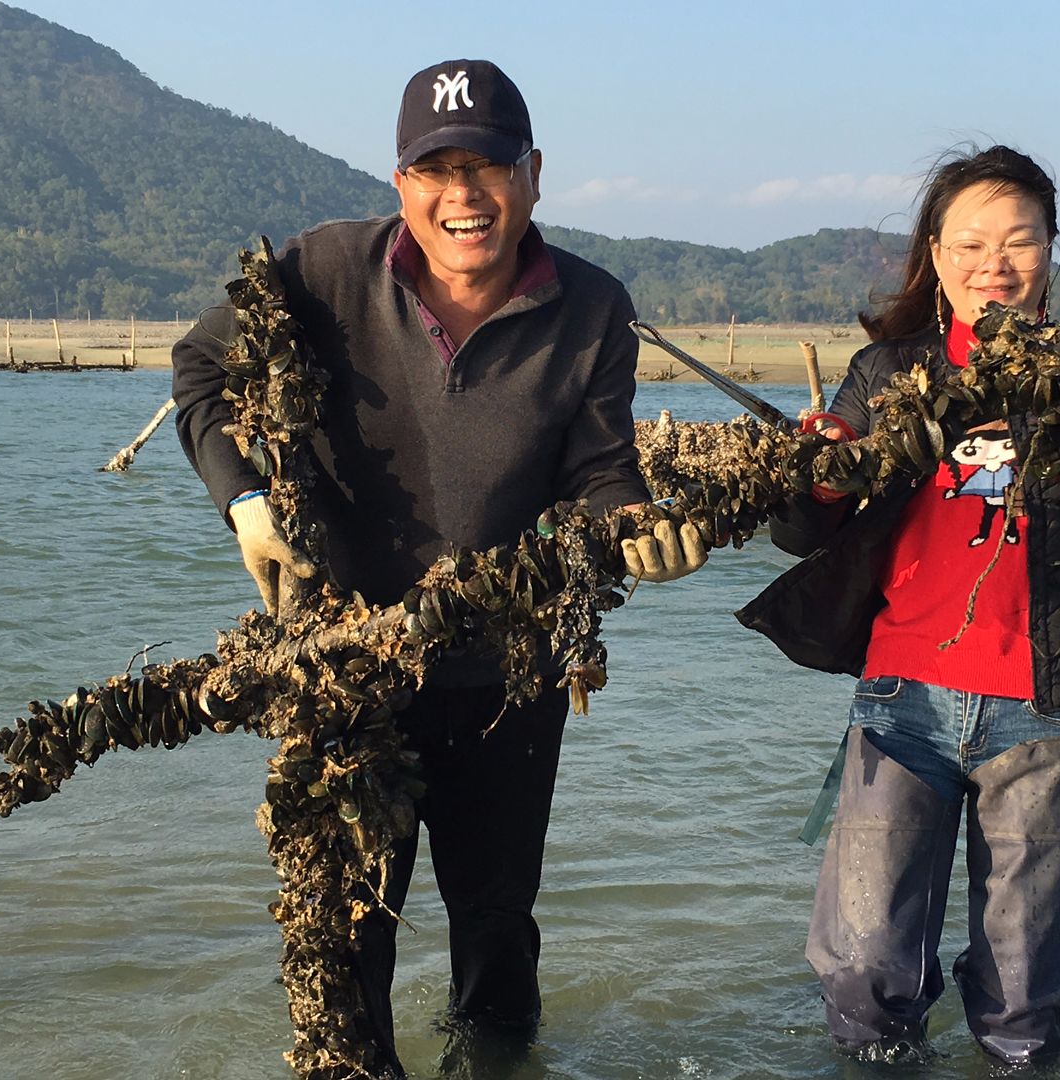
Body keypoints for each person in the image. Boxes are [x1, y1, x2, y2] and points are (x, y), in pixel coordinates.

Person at [171, 59, 704, 1071]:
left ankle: (498, 1060)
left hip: (512, 674)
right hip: (347, 668)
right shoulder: (322, 270)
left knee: (498, 924)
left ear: (534, 175)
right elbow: (200, 368)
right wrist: (242, 500)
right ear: (402, 183)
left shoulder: (592, 307)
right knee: (348, 935)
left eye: (490, 165)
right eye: (438, 168)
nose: (465, 194)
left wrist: (638, 525)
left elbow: (599, 466)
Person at [737, 145, 1060, 1062]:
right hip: (901, 704)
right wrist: (817, 473)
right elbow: (796, 534)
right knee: (862, 977)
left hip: (1052, 712)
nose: (995, 263)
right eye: (971, 242)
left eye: (1020, 241)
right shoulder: (888, 370)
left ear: (1053, 250)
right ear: (936, 257)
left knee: (1021, 1008)